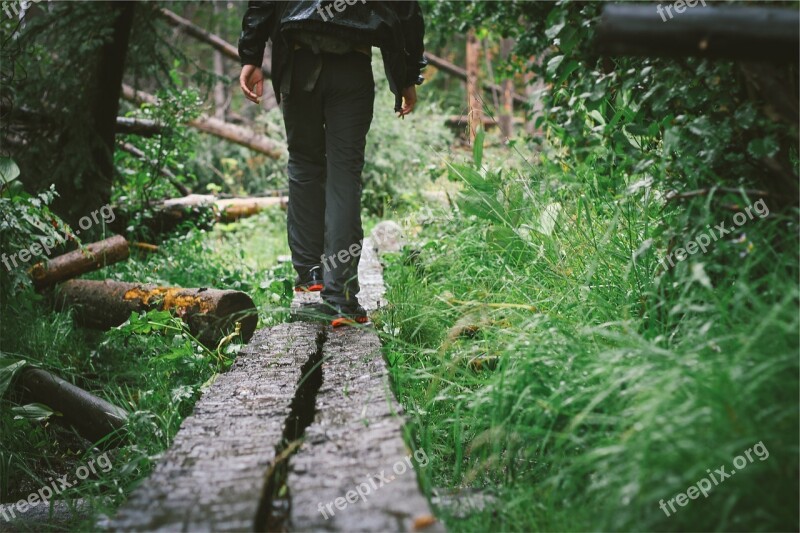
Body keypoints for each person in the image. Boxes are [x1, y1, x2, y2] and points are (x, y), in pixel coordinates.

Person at [238, 0, 425, 327]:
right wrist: (407, 76)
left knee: (304, 165)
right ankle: (340, 299)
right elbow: (406, 9)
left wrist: (251, 55)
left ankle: (312, 273)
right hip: (351, 65)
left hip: (298, 60)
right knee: (344, 175)